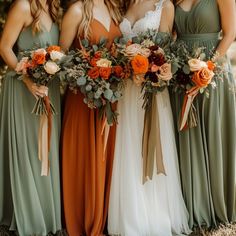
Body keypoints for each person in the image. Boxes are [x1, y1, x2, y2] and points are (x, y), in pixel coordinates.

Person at [108, 0, 190, 235]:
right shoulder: (125, 4)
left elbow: (164, 51)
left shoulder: (165, 6)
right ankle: (129, 212)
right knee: (128, 147)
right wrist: (127, 64)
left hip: (149, 88)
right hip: (126, 89)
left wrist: (147, 71)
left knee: (149, 147)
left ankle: (154, 212)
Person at [170, 0, 236, 228]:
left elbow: (230, 34)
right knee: (187, 134)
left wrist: (207, 68)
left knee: (212, 132)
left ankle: (217, 202)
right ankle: (192, 202)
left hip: (212, 72)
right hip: (181, 74)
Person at [0, 0, 62, 235]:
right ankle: (29, 214)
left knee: (45, 151)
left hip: (48, 87)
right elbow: (5, 47)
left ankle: (47, 212)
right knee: (29, 150)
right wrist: (28, 80)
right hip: (23, 87)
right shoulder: (23, 6)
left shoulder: (52, 8)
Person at [59, 0, 121, 235]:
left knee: (105, 155)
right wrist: (87, 75)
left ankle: (102, 216)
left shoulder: (114, 9)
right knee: (83, 153)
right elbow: (61, 58)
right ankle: (81, 214)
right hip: (83, 98)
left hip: (110, 97)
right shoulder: (76, 11)